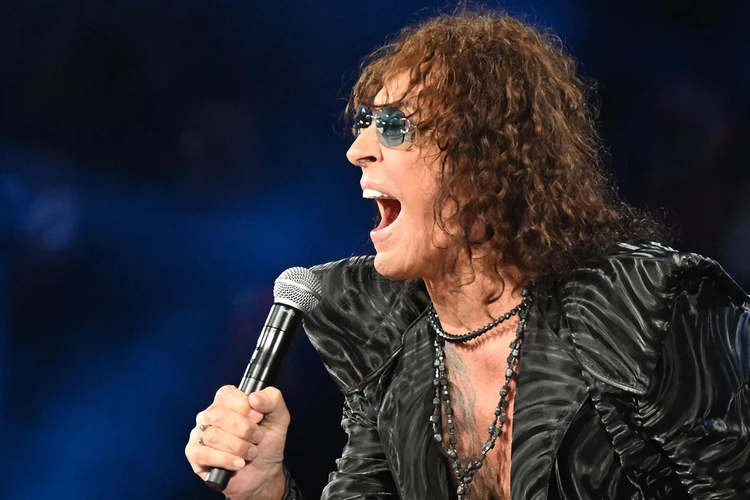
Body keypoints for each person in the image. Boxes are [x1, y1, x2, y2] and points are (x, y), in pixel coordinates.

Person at [185, 10, 750, 500]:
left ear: (488, 159)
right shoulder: (386, 339)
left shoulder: (646, 307)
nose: (358, 150)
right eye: (364, 124)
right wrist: (266, 489)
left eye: (395, 126)